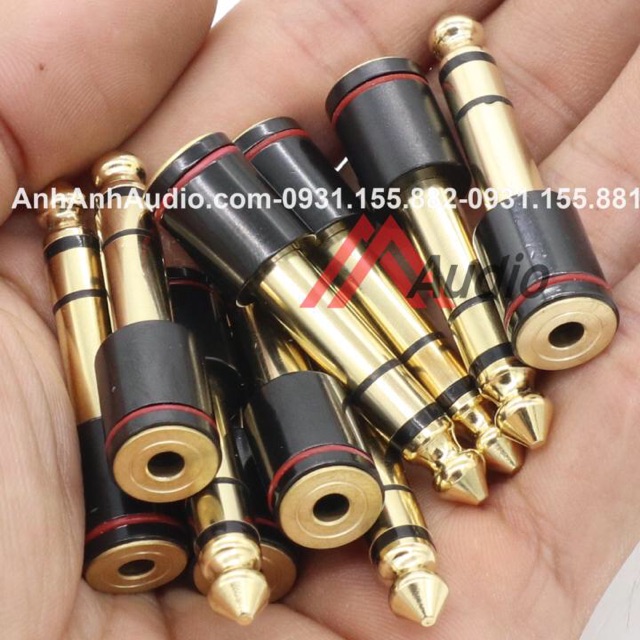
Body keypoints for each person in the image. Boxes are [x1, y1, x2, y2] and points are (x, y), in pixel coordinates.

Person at [1, 0, 639, 638]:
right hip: (270, 303)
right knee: (280, 302)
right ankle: (463, 412)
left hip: (297, 285)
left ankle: (468, 408)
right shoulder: (233, 317)